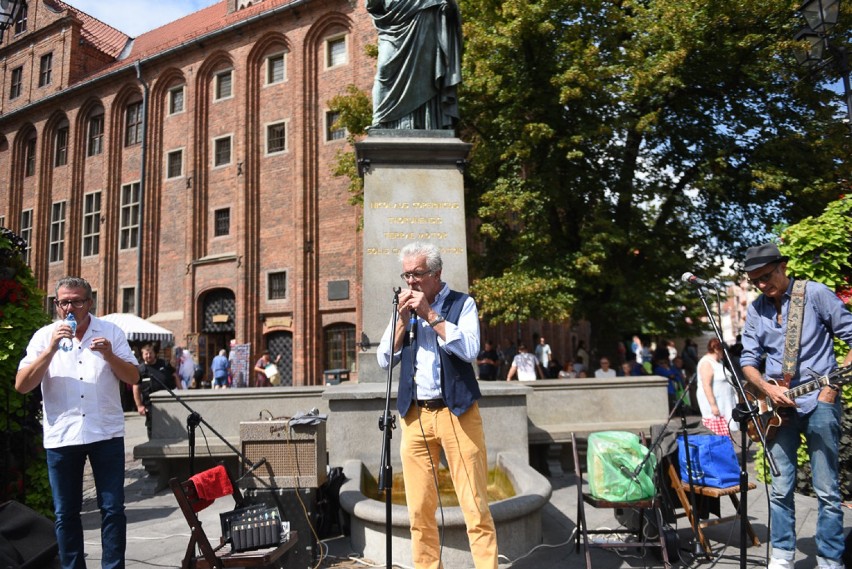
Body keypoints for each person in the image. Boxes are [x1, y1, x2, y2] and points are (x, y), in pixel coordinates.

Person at [377, 242, 498, 569]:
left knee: (474, 506)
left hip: (456, 413)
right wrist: (402, 321)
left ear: (437, 273)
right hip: (414, 416)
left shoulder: (463, 303)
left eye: (417, 274)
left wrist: (430, 315)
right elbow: (384, 359)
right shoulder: (403, 308)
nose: (411, 282)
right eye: (406, 274)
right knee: (418, 510)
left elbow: (470, 349)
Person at [739, 243, 852, 569]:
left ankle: (831, 558)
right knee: (780, 488)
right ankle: (782, 556)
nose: (762, 285)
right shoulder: (757, 309)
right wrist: (764, 388)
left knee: (827, 490)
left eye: (766, 276)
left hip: (820, 404)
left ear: (783, 266)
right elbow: (747, 360)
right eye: (755, 280)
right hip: (777, 410)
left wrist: (832, 387)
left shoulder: (815, 294)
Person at [15, 277, 140, 569]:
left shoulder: (111, 332)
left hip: (105, 432)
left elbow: (133, 377)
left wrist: (109, 355)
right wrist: (50, 350)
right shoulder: (43, 336)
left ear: (90, 302)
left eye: (77, 301)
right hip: (62, 436)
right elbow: (22, 385)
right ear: (57, 304)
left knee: (112, 509)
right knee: (66, 513)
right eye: (63, 302)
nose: (70, 308)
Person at [366, 0, 462, 130]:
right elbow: (373, 6)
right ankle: (381, 119)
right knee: (385, 71)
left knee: (424, 75)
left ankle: (426, 124)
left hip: (424, 14)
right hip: (392, 22)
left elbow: (449, 8)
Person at [133, 343, 181, 438]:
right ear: (142, 356)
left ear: (154, 353)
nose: (148, 355)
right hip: (151, 405)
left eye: (150, 353)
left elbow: (175, 376)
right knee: (153, 428)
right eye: (146, 354)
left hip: (168, 401)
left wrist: (181, 392)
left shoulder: (164, 364)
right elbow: (136, 387)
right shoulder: (140, 370)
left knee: (173, 426)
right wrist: (139, 406)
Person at [695, 338, 738, 436]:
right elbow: (706, 385)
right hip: (715, 404)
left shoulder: (719, 362)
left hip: (724, 403)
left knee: (725, 432)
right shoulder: (706, 363)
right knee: (718, 434)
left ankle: (725, 449)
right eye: (723, 350)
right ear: (715, 349)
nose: (724, 353)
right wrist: (713, 405)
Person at [652, 346, 686, 410]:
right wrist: (667, 369)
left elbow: (677, 377)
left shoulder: (668, 368)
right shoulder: (659, 369)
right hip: (667, 391)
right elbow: (672, 376)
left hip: (671, 390)